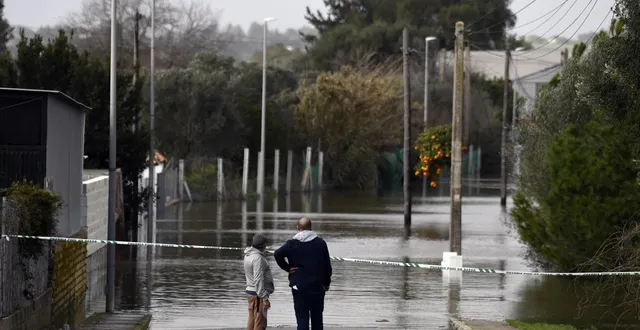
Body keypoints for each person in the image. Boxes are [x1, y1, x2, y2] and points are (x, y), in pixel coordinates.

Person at [274, 217, 332, 330]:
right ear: (311, 228)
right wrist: (326, 283)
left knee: (302, 318)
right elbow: (327, 266)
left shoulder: (292, 244)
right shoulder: (320, 243)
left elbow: (277, 254)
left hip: (299, 286)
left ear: (298, 228)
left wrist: (288, 268)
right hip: (317, 286)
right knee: (317, 319)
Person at [244, 233, 275, 330]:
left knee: (252, 321)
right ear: (263, 245)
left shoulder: (248, 255)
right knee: (260, 323)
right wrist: (264, 298)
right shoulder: (258, 258)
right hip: (258, 294)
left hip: (252, 292)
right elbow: (258, 279)